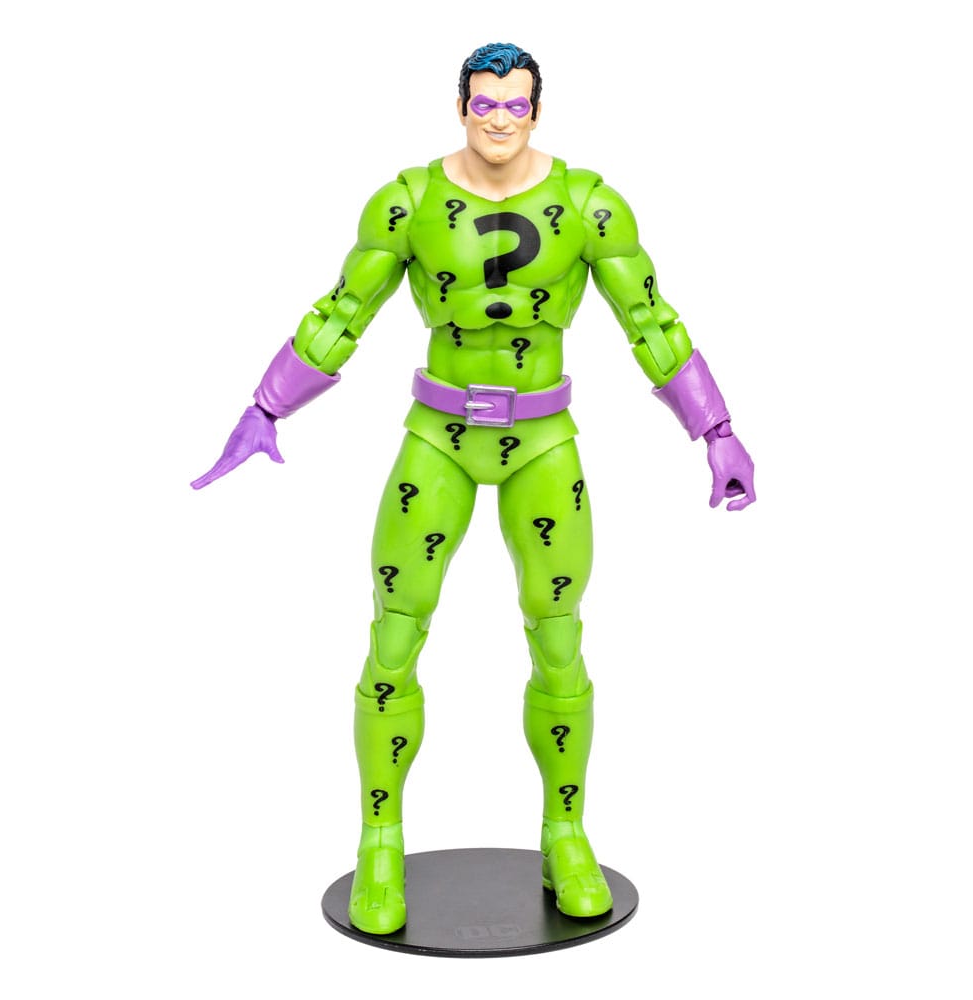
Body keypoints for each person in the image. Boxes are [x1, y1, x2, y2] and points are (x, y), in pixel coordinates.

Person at [192, 42, 755, 936]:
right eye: (484, 103)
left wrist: (714, 428)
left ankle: (566, 832)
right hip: (438, 438)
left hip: (543, 440)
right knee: (395, 633)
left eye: (515, 104)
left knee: (559, 637)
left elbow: (648, 316)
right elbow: (344, 308)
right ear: (461, 106)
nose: (499, 119)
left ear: (538, 110)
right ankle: (381, 839)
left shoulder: (589, 204)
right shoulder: (409, 201)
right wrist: (267, 405)